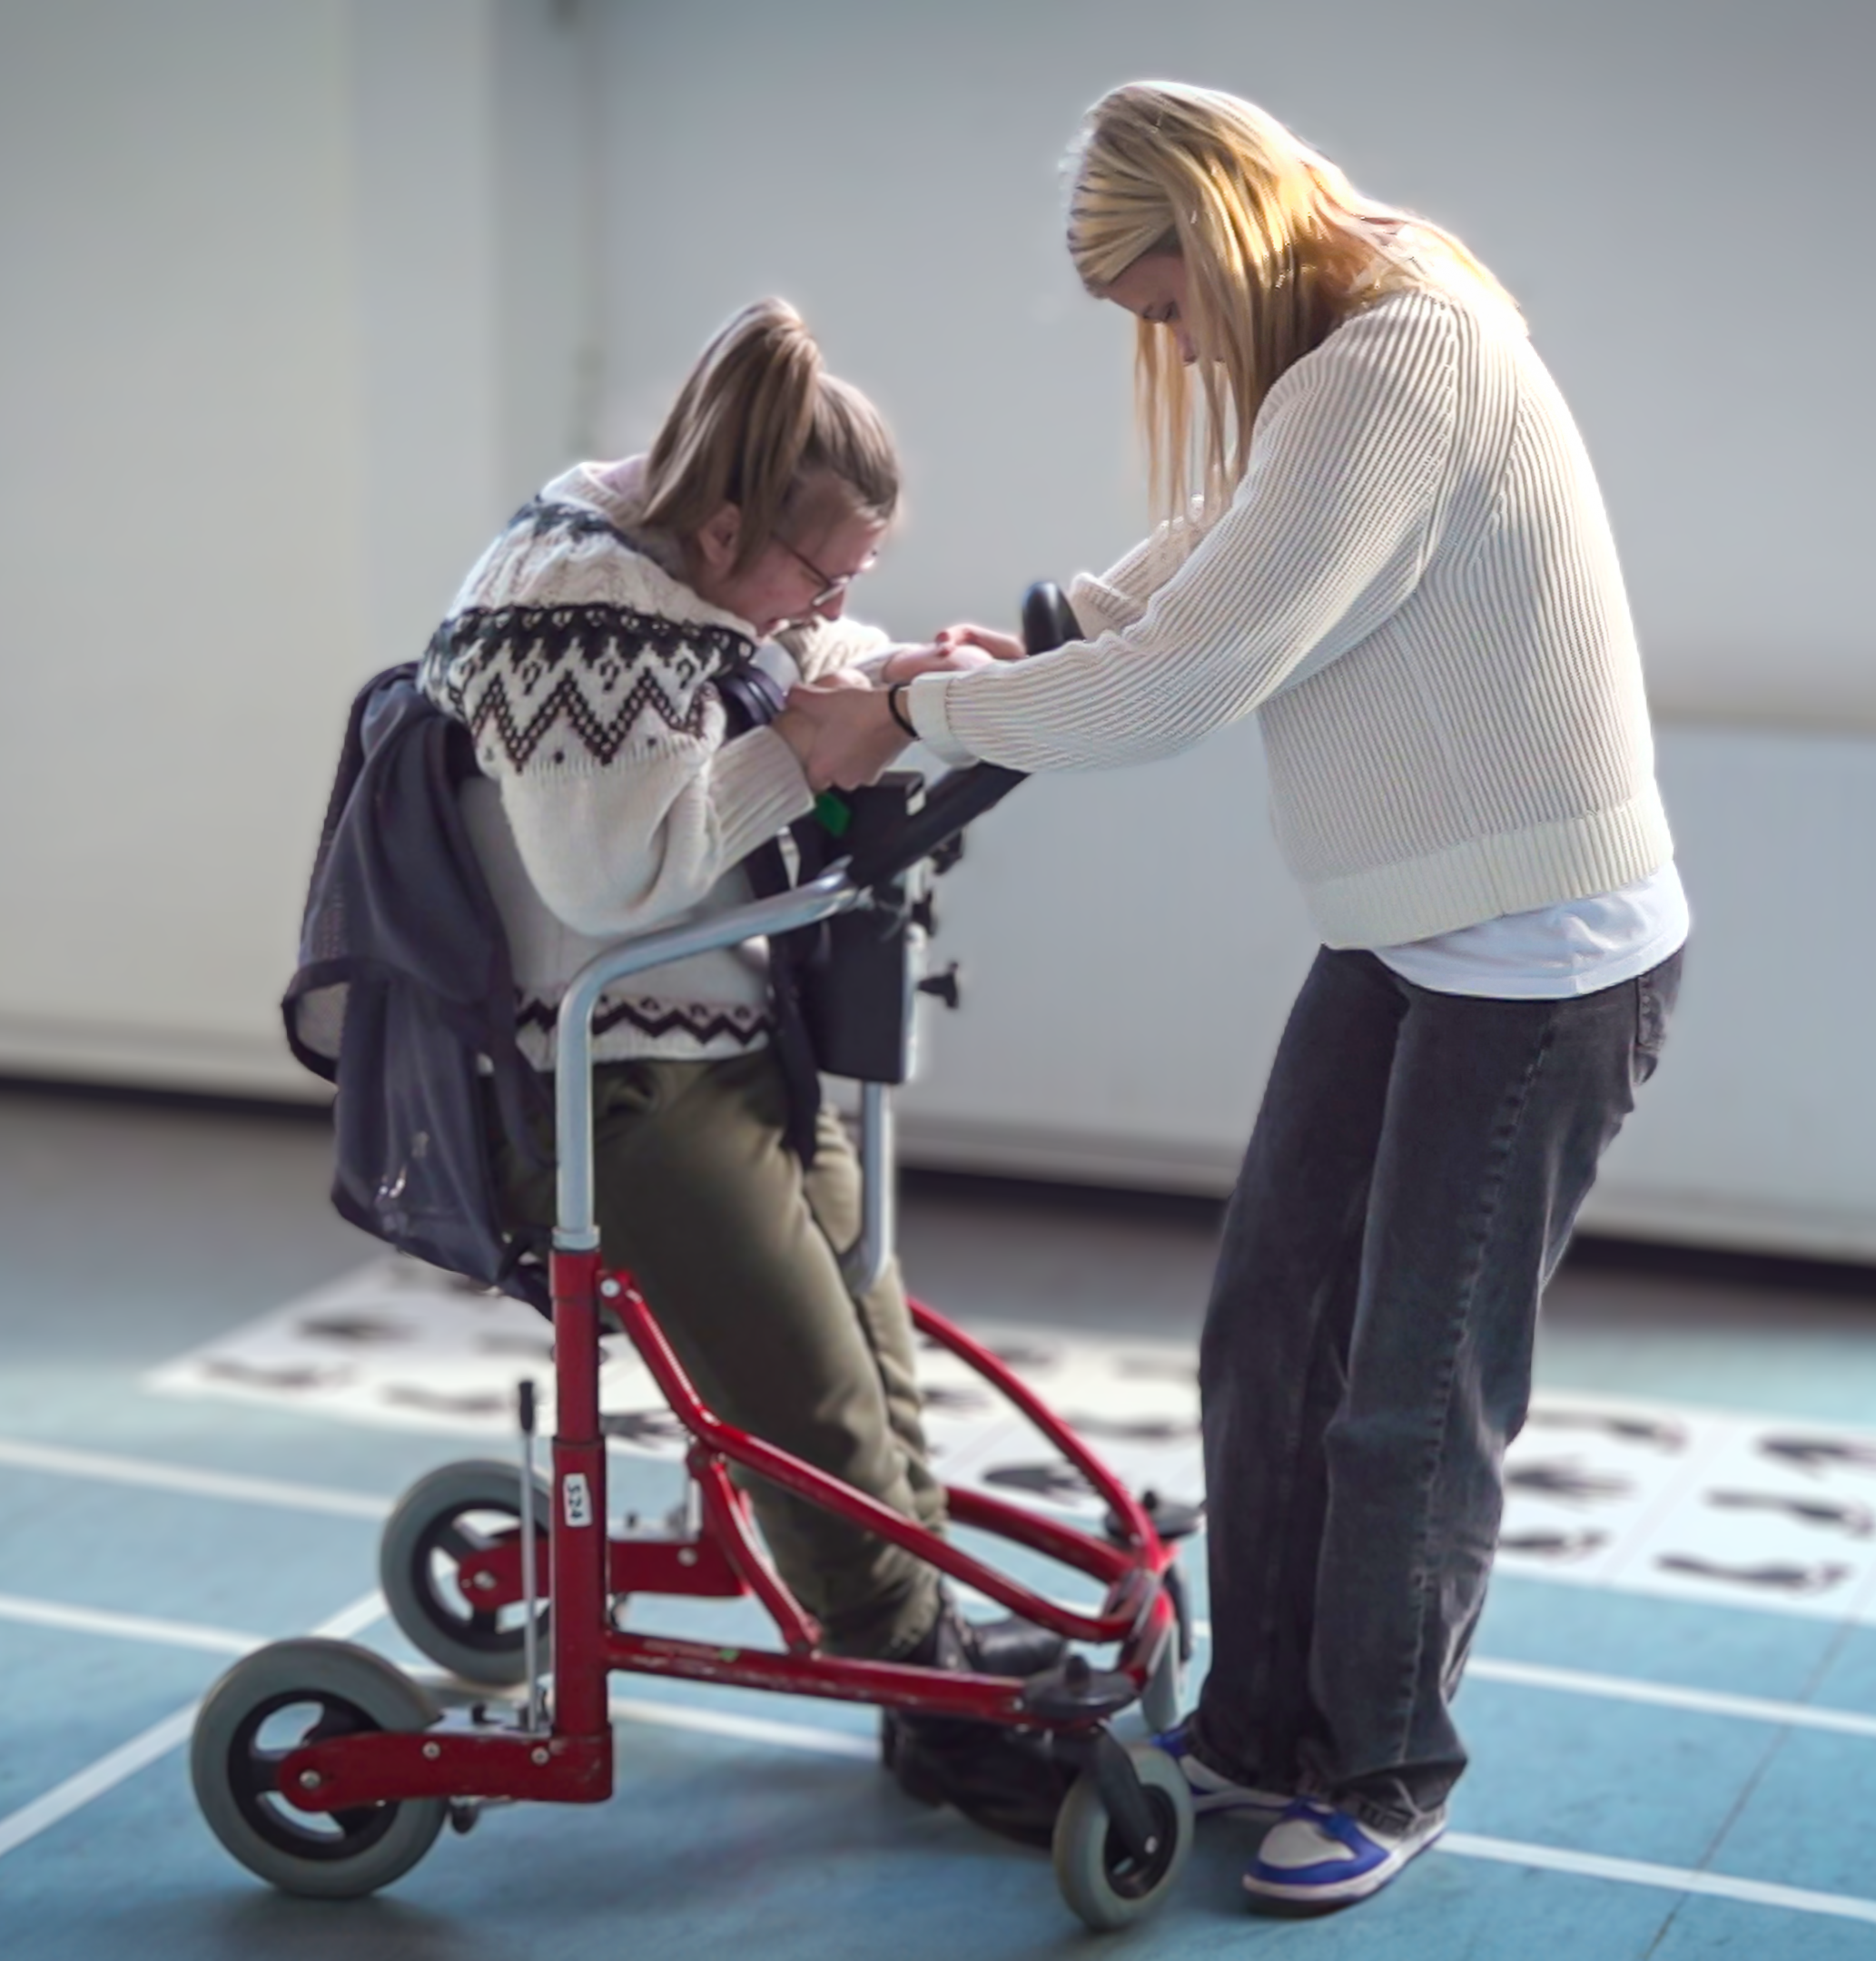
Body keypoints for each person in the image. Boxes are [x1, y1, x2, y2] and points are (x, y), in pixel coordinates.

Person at [778, 84, 1688, 1911]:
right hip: (1414, 929)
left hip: (1541, 956)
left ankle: (1387, 1766)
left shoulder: (1399, 354)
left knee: (1407, 1399)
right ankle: (1262, 1727)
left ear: (1216, 232)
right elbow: (1229, 541)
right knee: (1269, 1326)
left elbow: (1189, 680)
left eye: (1165, 305)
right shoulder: (1350, 330)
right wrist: (1045, 633)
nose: (1176, 345)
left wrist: (911, 711)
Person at [428, 297, 1071, 1840]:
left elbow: (779, 650)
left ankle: (921, 1641)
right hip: (613, 1087)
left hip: (719, 1039)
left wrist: (892, 668)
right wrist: (817, 747)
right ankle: (923, 1688)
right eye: (825, 569)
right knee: (806, 1398)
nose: (837, 597)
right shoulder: (573, 608)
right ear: (723, 531)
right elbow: (617, 878)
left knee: (869, 1337)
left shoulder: (690, 557)